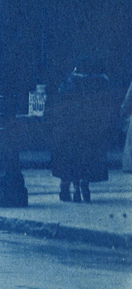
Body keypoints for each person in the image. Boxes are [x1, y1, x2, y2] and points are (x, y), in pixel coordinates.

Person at [49, 59, 115, 202]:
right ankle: (84, 184)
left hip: (70, 128)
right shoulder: (101, 83)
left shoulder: (69, 82)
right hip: (91, 129)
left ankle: (69, 188)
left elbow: (60, 106)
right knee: (86, 158)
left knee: (68, 159)